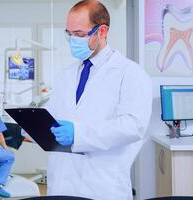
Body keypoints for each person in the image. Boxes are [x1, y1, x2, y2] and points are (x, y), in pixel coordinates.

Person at [47, 0, 152, 199]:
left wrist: (79, 134)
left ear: (102, 31)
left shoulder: (130, 74)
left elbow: (133, 126)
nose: (72, 40)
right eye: (68, 34)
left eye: (78, 34)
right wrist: (37, 126)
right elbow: (55, 114)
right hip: (61, 183)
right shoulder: (66, 74)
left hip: (102, 186)